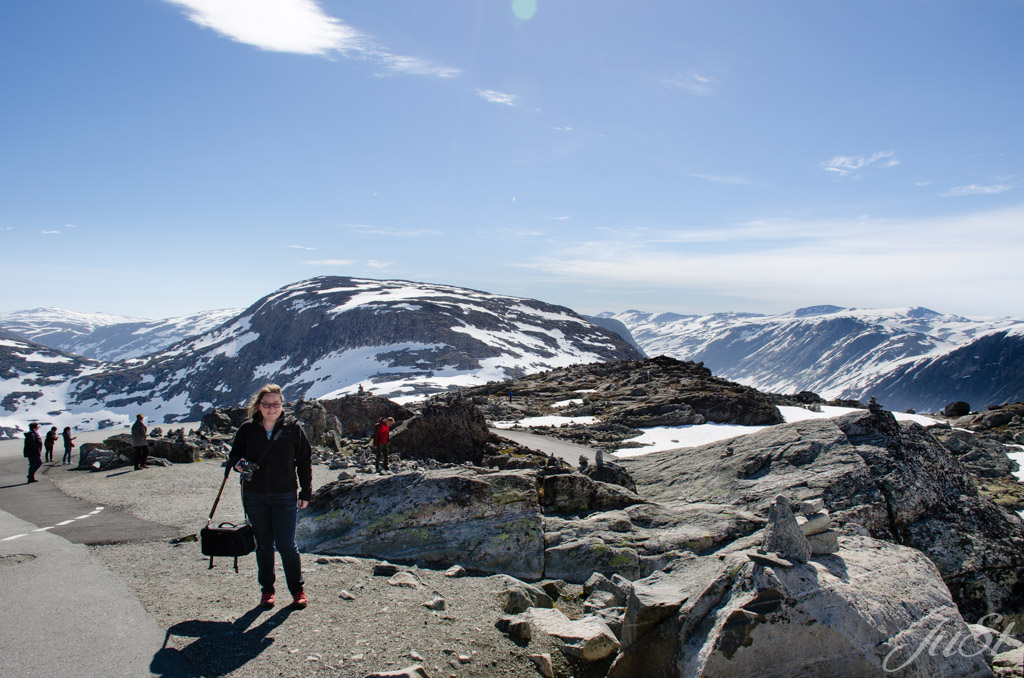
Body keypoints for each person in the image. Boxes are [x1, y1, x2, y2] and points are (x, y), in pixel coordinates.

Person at [227, 384, 312, 610]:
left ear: (282, 405)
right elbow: (234, 454)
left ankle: (297, 590)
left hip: (285, 495)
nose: (271, 408)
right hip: (254, 495)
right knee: (263, 545)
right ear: (259, 406)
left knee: (286, 545)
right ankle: (267, 590)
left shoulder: (293, 429)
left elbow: (304, 461)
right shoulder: (247, 430)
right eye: (266, 404)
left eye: (275, 404)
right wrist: (239, 464)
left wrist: (306, 492)